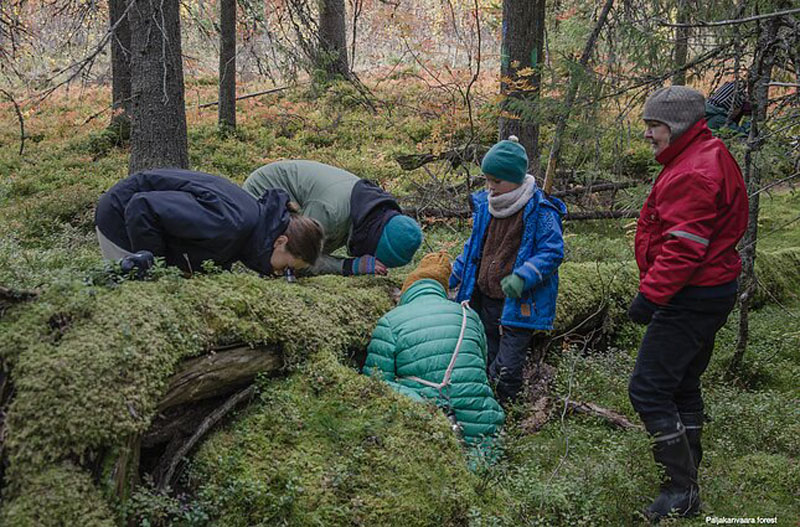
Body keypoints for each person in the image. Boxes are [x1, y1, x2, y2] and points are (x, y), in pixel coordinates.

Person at [629, 86, 748, 521]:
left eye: (653, 126)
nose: (648, 135)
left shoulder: (695, 169)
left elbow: (684, 246)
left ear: (676, 126)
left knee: (648, 388)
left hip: (692, 295)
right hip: (707, 289)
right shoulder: (700, 154)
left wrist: (650, 296)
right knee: (681, 384)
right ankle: (688, 477)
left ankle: (680, 491)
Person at [449, 137, 566, 405]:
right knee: (483, 356)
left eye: (497, 181)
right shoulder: (486, 207)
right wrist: (452, 275)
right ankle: (483, 407)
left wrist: (524, 277)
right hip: (484, 298)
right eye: (487, 180)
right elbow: (472, 248)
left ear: (515, 178)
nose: (490, 187)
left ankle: (507, 411)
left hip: (519, 303)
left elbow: (552, 251)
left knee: (507, 367)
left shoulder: (540, 210)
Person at [363, 251, 505, 451]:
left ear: (408, 288)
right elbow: (480, 364)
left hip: (425, 423)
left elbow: (375, 383)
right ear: (442, 289)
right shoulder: (469, 316)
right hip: (482, 421)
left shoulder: (390, 321)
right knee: (481, 464)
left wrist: (414, 397)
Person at [95, 168, 324, 277]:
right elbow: (142, 206)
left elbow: (214, 249)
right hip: (120, 217)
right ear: (281, 241)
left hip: (141, 215)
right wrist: (155, 268)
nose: (280, 273)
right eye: (286, 268)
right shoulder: (229, 223)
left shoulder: (252, 228)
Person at [242, 160, 422, 276]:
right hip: (262, 196)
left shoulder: (367, 212)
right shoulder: (330, 212)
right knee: (285, 264)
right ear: (373, 244)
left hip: (297, 206)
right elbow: (304, 256)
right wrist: (350, 266)